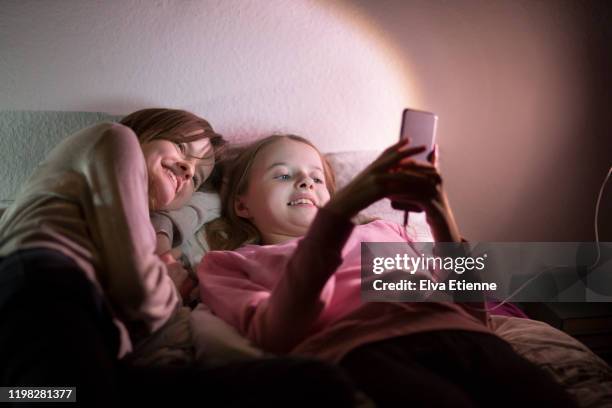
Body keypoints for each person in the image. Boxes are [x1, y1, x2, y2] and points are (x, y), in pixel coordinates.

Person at [0, 112, 356, 407]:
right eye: (181, 148)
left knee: (314, 381)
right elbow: (139, 288)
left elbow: (413, 290)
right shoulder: (114, 139)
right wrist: (168, 288)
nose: (188, 169)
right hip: (46, 284)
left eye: (198, 177)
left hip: (108, 342)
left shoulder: (380, 231)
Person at [198, 134, 579, 407]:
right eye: (283, 175)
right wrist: (335, 218)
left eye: (318, 178)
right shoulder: (228, 263)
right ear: (242, 204)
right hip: (365, 351)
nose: (305, 182)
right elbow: (277, 334)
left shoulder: (386, 231)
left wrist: (440, 214)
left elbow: (474, 313)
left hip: (466, 338)